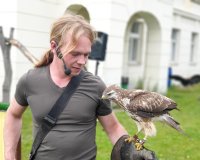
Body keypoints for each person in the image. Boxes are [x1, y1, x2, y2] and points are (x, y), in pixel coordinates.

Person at [4, 13, 156, 160]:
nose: (82, 61)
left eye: (86, 54)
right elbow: (13, 115)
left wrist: (132, 150)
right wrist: (9, 155)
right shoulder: (30, 81)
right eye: (75, 53)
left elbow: (113, 128)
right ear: (54, 47)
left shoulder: (95, 86)